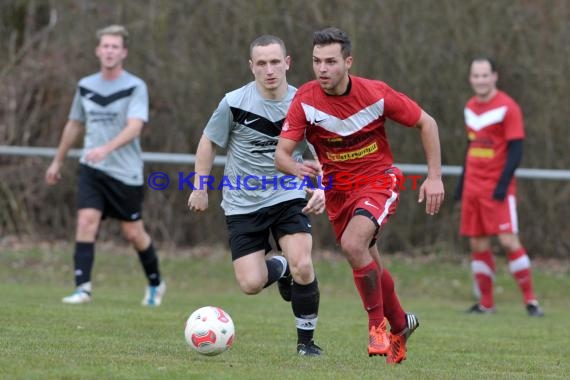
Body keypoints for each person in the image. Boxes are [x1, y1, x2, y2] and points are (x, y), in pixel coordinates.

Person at [275, 27, 445, 364]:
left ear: (348, 62)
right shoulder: (305, 100)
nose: (322, 69)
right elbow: (281, 154)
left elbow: (428, 123)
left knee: (354, 245)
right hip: (339, 194)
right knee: (369, 264)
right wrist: (296, 169)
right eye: (316, 61)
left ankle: (376, 326)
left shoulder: (375, 94)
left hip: (378, 182)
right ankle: (400, 324)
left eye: (331, 61)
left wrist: (435, 177)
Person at [187, 35, 325, 356]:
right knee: (250, 284)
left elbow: (324, 152)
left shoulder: (304, 104)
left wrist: (322, 188)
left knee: (304, 263)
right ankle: (281, 268)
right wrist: (199, 187)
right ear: (251, 67)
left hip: (288, 194)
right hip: (242, 201)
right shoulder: (234, 103)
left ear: (287, 62)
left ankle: (307, 344)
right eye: (261, 63)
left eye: (275, 62)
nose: (269, 70)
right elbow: (208, 142)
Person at [45, 25, 165, 306]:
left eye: (115, 47)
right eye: (105, 46)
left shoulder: (135, 86)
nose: (109, 51)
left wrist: (106, 149)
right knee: (86, 222)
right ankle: (82, 288)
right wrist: (57, 160)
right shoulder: (85, 86)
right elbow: (74, 124)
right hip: (91, 168)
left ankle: (156, 283)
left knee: (133, 233)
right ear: (98, 50)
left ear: (123, 52)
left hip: (125, 172)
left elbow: (135, 127)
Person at [455, 57, 544, 317]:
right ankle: (486, 304)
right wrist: (461, 185)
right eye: (476, 75)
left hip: (497, 187)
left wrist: (503, 185)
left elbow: (516, 151)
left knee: (508, 240)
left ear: (495, 77)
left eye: (485, 75)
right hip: (473, 187)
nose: (480, 80)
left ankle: (531, 302)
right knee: (478, 245)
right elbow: (470, 147)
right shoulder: (470, 107)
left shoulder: (508, 107)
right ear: (471, 78)